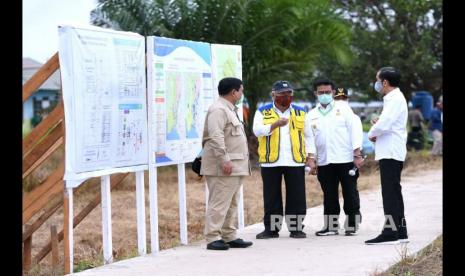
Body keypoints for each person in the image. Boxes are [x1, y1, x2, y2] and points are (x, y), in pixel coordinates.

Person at [201, 77, 253, 250]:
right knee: (220, 202)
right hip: (223, 166)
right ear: (233, 92)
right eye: (241, 90)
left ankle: (228, 235)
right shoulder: (218, 110)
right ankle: (212, 237)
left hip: (235, 166)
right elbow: (216, 136)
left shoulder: (230, 109)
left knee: (231, 202)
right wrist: (224, 159)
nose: (242, 93)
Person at [306, 81, 364, 236]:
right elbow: (309, 139)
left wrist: (357, 154)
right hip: (325, 161)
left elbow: (355, 132)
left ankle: (352, 225)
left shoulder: (344, 110)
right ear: (315, 94)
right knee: (329, 194)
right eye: (320, 92)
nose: (324, 95)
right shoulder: (311, 115)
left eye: (327, 91)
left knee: (350, 193)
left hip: (345, 159)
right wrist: (311, 159)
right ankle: (331, 226)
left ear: (332, 92)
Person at [253, 80, 309, 239]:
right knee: (271, 197)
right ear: (273, 94)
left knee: (297, 196)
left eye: (289, 94)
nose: (286, 97)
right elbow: (257, 131)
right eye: (282, 94)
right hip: (271, 161)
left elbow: (309, 135)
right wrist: (274, 125)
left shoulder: (300, 111)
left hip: (295, 160)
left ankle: (296, 228)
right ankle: (271, 229)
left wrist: (311, 157)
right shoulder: (262, 111)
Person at [365, 67, 409, 245]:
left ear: (384, 82)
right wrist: (380, 123)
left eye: (377, 80)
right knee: (394, 192)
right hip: (391, 149)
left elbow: (386, 124)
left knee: (390, 193)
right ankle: (401, 231)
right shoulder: (394, 98)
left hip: (390, 151)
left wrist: (371, 133)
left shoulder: (394, 98)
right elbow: (387, 122)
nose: (376, 84)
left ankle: (390, 232)